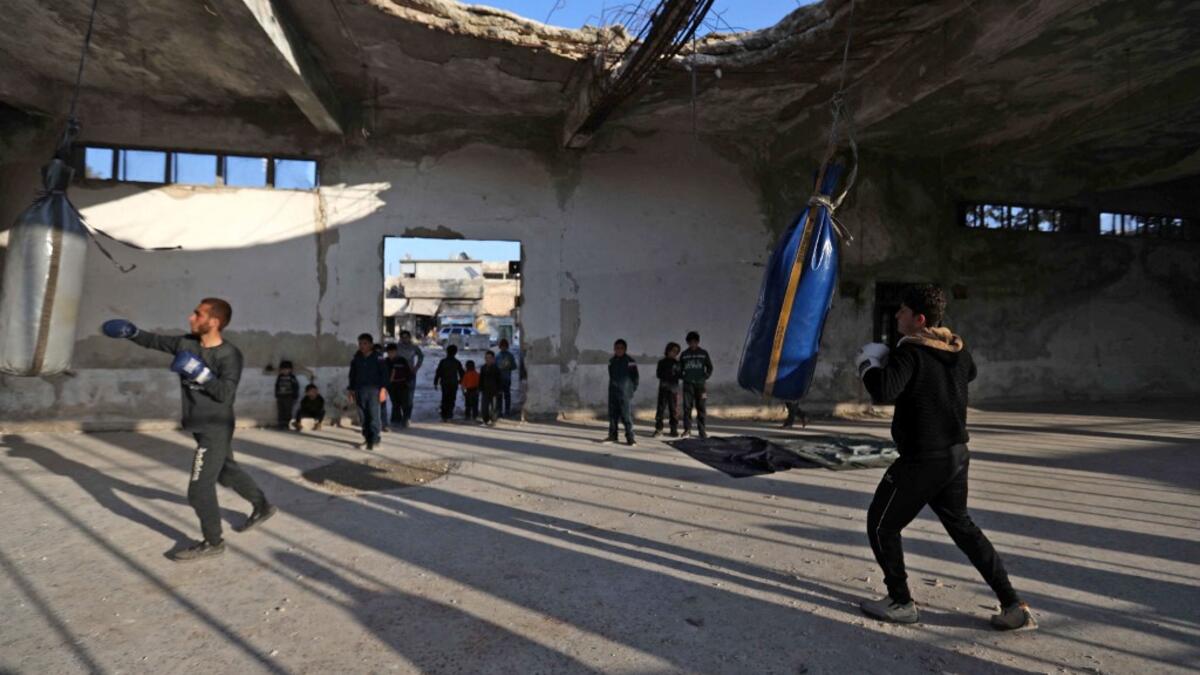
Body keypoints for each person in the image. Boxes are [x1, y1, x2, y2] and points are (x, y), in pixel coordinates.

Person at [856, 284, 1035, 631]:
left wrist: (868, 365)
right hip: (956, 455)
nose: (897, 316)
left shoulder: (911, 353)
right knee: (963, 528)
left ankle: (900, 602)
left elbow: (883, 389)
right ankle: (1013, 605)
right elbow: (970, 373)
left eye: (903, 311)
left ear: (919, 319)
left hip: (924, 459)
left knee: (881, 524)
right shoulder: (956, 349)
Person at [101, 298, 275, 562]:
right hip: (198, 423)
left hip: (215, 427)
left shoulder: (229, 355)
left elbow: (226, 394)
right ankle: (262, 506)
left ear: (213, 322)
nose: (190, 317)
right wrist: (132, 333)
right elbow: (155, 341)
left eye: (197, 314)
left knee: (199, 489)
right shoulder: (187, 343)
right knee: (226, 473)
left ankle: (213, 541)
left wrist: (199, 373)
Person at [348, 333, 388, 450]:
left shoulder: (378, 358)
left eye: (365, 343)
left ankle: (375, 440)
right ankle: (367, 439)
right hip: (360, 390)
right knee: (363, 416)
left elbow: (384, 374)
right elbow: (352, 375)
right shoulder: (357, 358)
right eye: (360, 343)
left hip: (374, 391)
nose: (362, 346)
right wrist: (351, 390)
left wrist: (383, 389)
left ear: (371, 344)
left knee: (373, 416)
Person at [601, 339, 638, 446]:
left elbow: (635, 378)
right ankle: (613, 435)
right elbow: (611, 375)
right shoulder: (611, 361)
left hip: (625, 393)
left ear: (625, 349)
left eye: (621, 348)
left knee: (626, 416)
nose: (619, 350)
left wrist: (631, 390)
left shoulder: (630, 361)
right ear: (614, 349)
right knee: (612, 415)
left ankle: (630, 437)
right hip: (613, 392)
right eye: (617, 348)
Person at [679, 331, 713, 439]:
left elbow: (710, 367)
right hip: (688, 385)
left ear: (698, 342)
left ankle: (702, 431)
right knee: (687, 408)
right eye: (690, 342)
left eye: (695, 342)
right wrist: (683, 376)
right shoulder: (684, 355)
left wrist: (705, 377)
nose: (693, 344)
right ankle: (687, 429)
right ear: (687, 343)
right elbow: (679, 368)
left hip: (701, 386)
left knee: (701, 408)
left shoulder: (703, 353)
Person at [395, 330, 424, 427]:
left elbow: (421, 356)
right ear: (400, 338)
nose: (405, 339)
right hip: (398, 375)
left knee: (409, 398)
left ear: (409, 337)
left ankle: (407, 418)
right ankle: (398, 417)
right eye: (403, 337)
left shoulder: (413, 347)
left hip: (410, 374)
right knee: (398, 397)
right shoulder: (397, 347)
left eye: (406, 337)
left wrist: (416, 367)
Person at [653, 342, 682, 438]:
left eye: (676, 352)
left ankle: (674, 429)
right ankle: (659, 429)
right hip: (664, 388)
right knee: (660, 409)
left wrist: (675, 374)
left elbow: (680, 375)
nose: (674, 353)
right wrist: (669, 375)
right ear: (668, 350)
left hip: (673, 389)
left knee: (673, 410)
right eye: (673, 351)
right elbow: (659, 374)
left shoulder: (678, 363)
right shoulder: (662, 362)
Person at [433, 344, 465, 422]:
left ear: (447, 352)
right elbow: (462, 373)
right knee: (452, 399)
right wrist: (461, 381)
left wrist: (435, 382)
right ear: (455, 352)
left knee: (445, 398)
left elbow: (438, 372)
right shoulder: (457, 362)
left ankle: (444, 414)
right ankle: (449, 414)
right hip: (453, 383)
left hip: (444, 383)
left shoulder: (443, 362)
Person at [384, 343, 412, 430]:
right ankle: (396, 420)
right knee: (395, 403)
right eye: (389, 352)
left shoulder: (402, 360)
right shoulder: (386, 361)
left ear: (396, 352)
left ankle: (406, 419)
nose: (391, 354)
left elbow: (408, 372)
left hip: (403, 384)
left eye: (392, 352)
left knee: (405, 403)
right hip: (392, 386)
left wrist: (408, 382)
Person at [479, 351, 504, 426]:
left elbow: (500, 380)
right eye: (486, 358)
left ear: (493, 359)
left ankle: (493, 421)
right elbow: (481, 379)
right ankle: (485, 420)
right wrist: (480, 388)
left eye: (489, 358)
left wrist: (500, 390)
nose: (488, 359)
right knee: (484, 407)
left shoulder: (496, 368)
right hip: (485, 390)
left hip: (494, 390)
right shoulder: (483, 368)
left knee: (494, 407)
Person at [273, 360, 300, 430]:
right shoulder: (280, 377)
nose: (285, 371)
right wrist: (276, 394)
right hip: (280, 396)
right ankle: (281, 424)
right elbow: (277, 385)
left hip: (289, 397)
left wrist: (295, 395)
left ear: (290, 370)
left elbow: (296, 386)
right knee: (280, 411)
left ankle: (287, 424)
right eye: (283, 369)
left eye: (286, 369)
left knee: (288, 411)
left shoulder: (292, 377)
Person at [496, 338, 518, 417]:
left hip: (506, 378)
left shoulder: (501, 356)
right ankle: (501, 411)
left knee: (505, 395)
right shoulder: (500, 356)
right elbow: (514, 367)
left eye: (504, 346)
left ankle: (506, 411)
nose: (503, 348)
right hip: (502, 378)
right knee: (501, 395)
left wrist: (506, 366)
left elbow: (514, 366)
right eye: (502, 346)